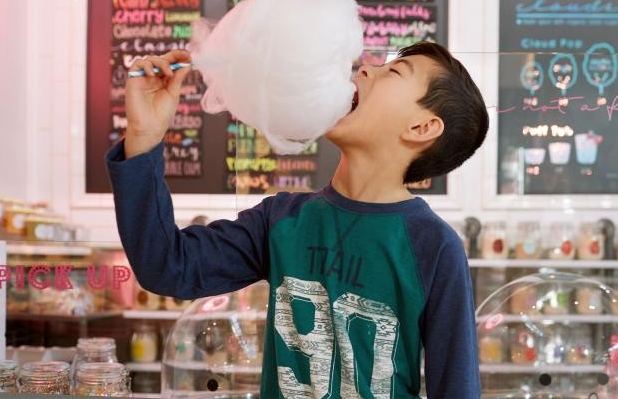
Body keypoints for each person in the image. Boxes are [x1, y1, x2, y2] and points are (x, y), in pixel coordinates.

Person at [106, 41, 488, 398]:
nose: (366, 69)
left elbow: (456, 388)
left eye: (394, 72)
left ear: (421, 128)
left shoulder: (435, 247)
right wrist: (144, 135)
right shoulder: (282, 220)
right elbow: (168, 267)